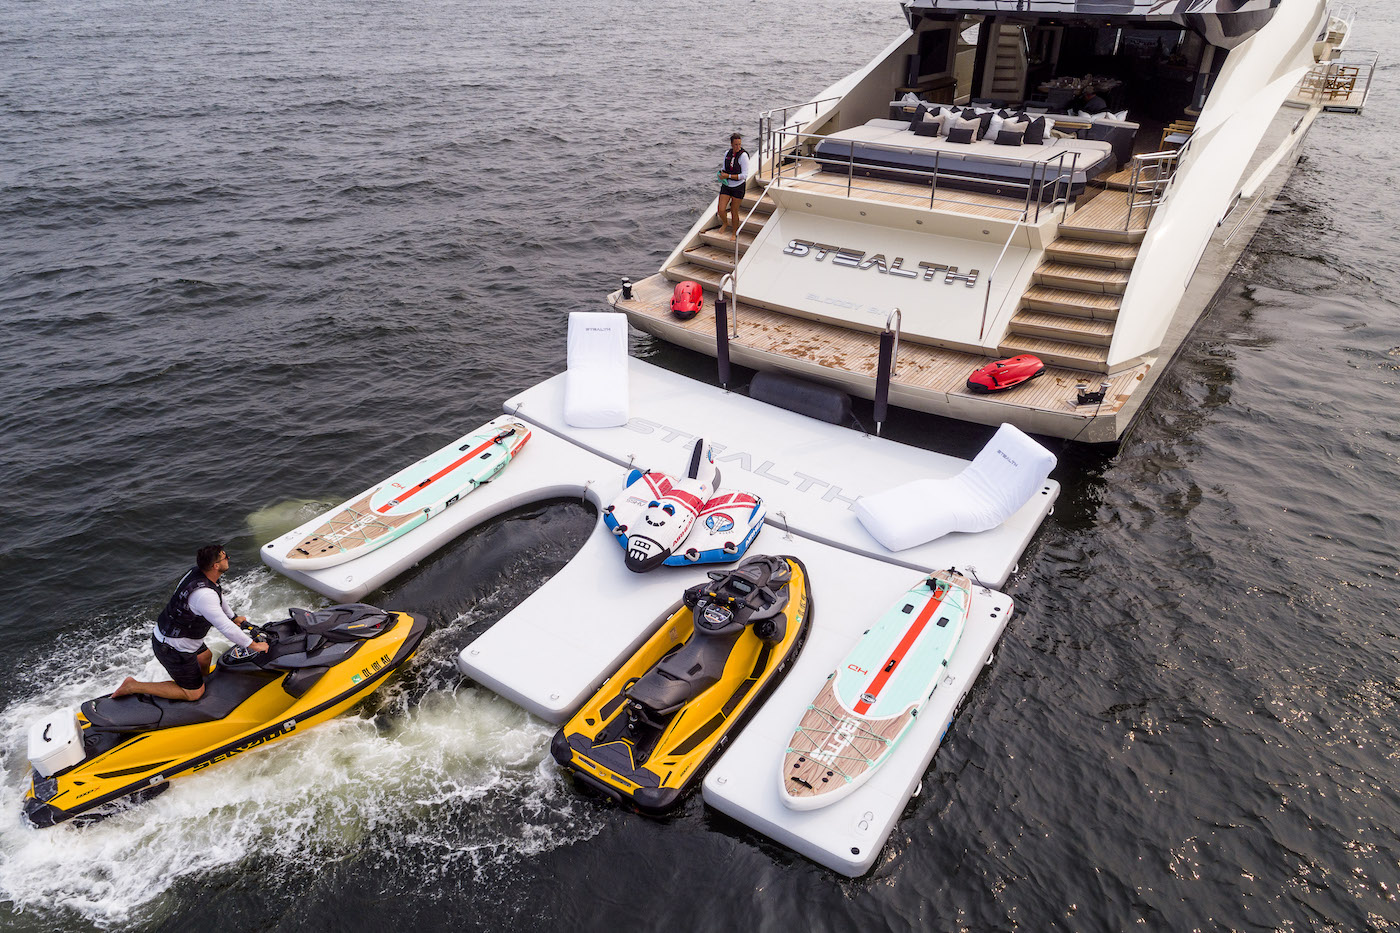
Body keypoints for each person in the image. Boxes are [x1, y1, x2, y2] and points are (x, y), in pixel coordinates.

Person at [113, 544, 268, 701]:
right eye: (225, 557)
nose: (228, 558)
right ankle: (133, 686)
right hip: (173, 648)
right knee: (194, 694)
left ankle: (197, 682)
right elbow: (225, 627)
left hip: (177, 636)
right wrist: (254, 646)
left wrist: (233, 617)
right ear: (216, 566)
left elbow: (217, 595)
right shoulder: (204, 595)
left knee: (205, 657)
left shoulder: (199, 575)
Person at [717, 132, 750, 238]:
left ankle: (734, 232)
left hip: (738, 186)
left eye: (739, 144)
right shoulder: (727, 153)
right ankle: (725, 223)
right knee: (721, 209)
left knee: (733, 211)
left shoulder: (743, 156)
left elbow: (744, 175)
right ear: (731, 144)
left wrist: (729, 176)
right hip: (727, 185)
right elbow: (724, 168)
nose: (738, 147)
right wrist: (722, 174)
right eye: (736, 145)